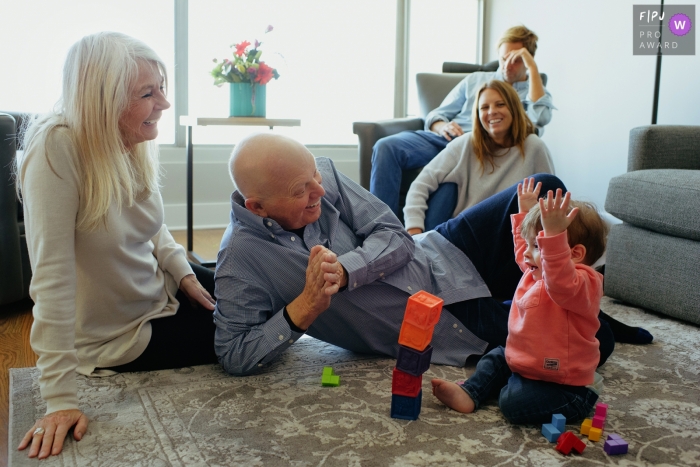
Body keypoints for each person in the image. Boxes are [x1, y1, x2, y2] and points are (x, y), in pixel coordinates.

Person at [213, 133, 631, 378]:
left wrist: (346, 269)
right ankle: (565, 302)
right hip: (442, 320)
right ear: (257, 207)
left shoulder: (321, 174)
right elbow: (233, 352)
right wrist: (302, 310)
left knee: (543, 184)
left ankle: (567, 290)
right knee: (597, 343)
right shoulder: (240, 260)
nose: (320, 192)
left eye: (316, 178)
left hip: (443, 249)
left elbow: (396, 235)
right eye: (301, 192)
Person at [15, 32, 218, 460]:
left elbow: (152, 228)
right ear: (102, 101)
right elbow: (51, 278)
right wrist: (59, 399)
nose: (163, 103)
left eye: (161, 88)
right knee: (250, 323)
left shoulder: (129, 139)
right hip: (121, 334)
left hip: (157, 288)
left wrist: (183, 271)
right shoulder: (57, 149)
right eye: (147, 93)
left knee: (250, 284)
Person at [431, 180, 609, 425]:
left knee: (512, 403)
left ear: (575, 254)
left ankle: (575, 399)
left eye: (539, 245)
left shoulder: (582, 283)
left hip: (565, 385)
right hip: (527, 360)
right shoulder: (536, 271)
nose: (527, 253)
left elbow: (560, 280)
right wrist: (525, 213)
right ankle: (471, 392)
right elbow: (523, 252)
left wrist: (554, 237)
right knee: (496, 357)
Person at [370, 25, 555, 216]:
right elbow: (436, 114)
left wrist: (532, 69)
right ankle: (381, 228)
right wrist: (442, 126)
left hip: (476, 149)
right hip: (446, 139)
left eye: (515, 60)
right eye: (502, 58)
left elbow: (538, 120)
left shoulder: (533, 93)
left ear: (528, 59)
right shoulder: (475, 80)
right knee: (386, 146)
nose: (507, 65)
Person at [404, 80, 554, 234]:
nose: (492, 112)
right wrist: (414, 232)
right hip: (465, 234)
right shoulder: (466, 143)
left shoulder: (535, 147)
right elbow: (420, 185)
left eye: (500, 104)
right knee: (446, 187)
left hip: (511, 237)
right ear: (477, 114)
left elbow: (552, 203)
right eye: (484, 107)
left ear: (514, 108)